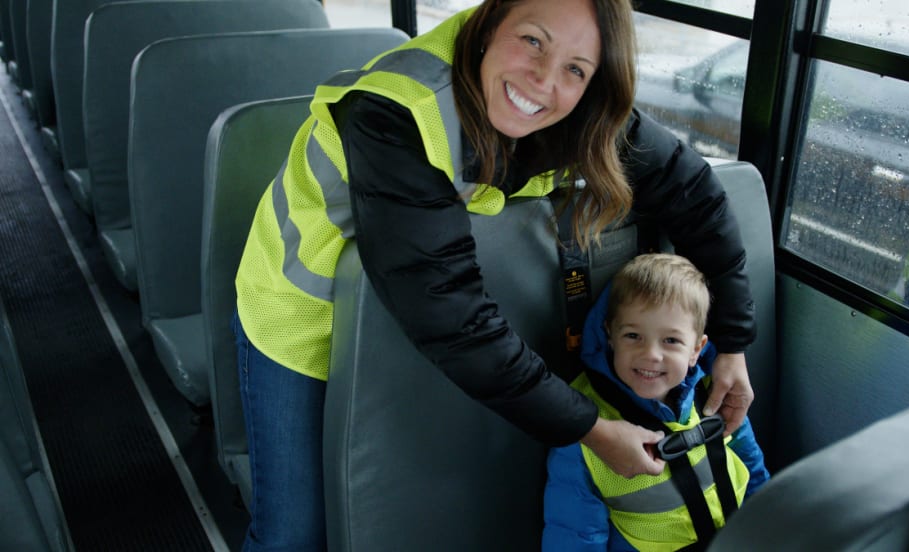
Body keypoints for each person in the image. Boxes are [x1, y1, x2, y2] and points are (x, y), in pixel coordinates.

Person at [233, 0, 756, 549]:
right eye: (532, 40)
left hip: (408, 325)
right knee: (293, 535)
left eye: (576, 68)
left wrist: (732, 346)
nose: (544, 80)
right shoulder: (394, 111)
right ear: (488, 26)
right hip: (297, 315)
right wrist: (593, 431)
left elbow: (695, 194)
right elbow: (447, 310)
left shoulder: (582, 110)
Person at [542, 253, 769, 551]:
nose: (651, 354)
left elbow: (752, 469)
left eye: (671, 341)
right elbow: (575, 534)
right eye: (633, 335)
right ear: (610, 335)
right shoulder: (584, 424)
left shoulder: (714, 393)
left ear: (696, 349)